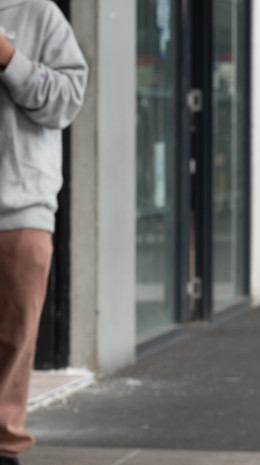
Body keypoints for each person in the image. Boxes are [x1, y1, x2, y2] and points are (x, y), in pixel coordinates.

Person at [0, 2, 87, 464]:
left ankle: (4, 448)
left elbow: (68, 99)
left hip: (18, 211)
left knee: (13, 344)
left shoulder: (39, 14)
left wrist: (9, 57)